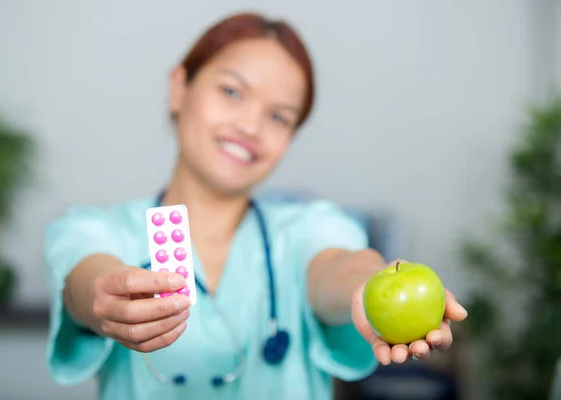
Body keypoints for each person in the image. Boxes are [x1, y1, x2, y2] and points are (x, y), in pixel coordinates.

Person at [44, 11, 468, 400]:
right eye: (232, 91)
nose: (250, 127)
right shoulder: (94, 229)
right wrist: (102, 299)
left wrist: (368, 289)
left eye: (279, 117)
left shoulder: (310, 226)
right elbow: (86, 281)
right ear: (179, 87)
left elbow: (338, 266)